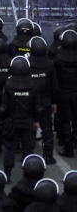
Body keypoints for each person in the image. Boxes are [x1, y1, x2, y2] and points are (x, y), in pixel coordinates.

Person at [0, 56, 40, 178]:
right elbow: (37, 107)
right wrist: (37, 121)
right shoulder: (33, 85)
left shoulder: (8, 85)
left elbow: (3, 107)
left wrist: (4, 120)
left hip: (12, 121)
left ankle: (7, 175)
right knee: (28, 150)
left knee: (10, 149)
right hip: (28, 122)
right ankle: (29, 175)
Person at [27, 36, 58, 164]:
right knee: (47, 128)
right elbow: (54, 86)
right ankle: (48, 155)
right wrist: (54, 102)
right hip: (45, 101)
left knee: (30, 127)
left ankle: (28, 155)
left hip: (30, 100)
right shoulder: (50, 64)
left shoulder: (27, 63)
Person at [54, 29, 77, 157]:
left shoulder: (58, 58)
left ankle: (68, 148)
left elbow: (55, 78)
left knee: (65, 121)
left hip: (63, 93)